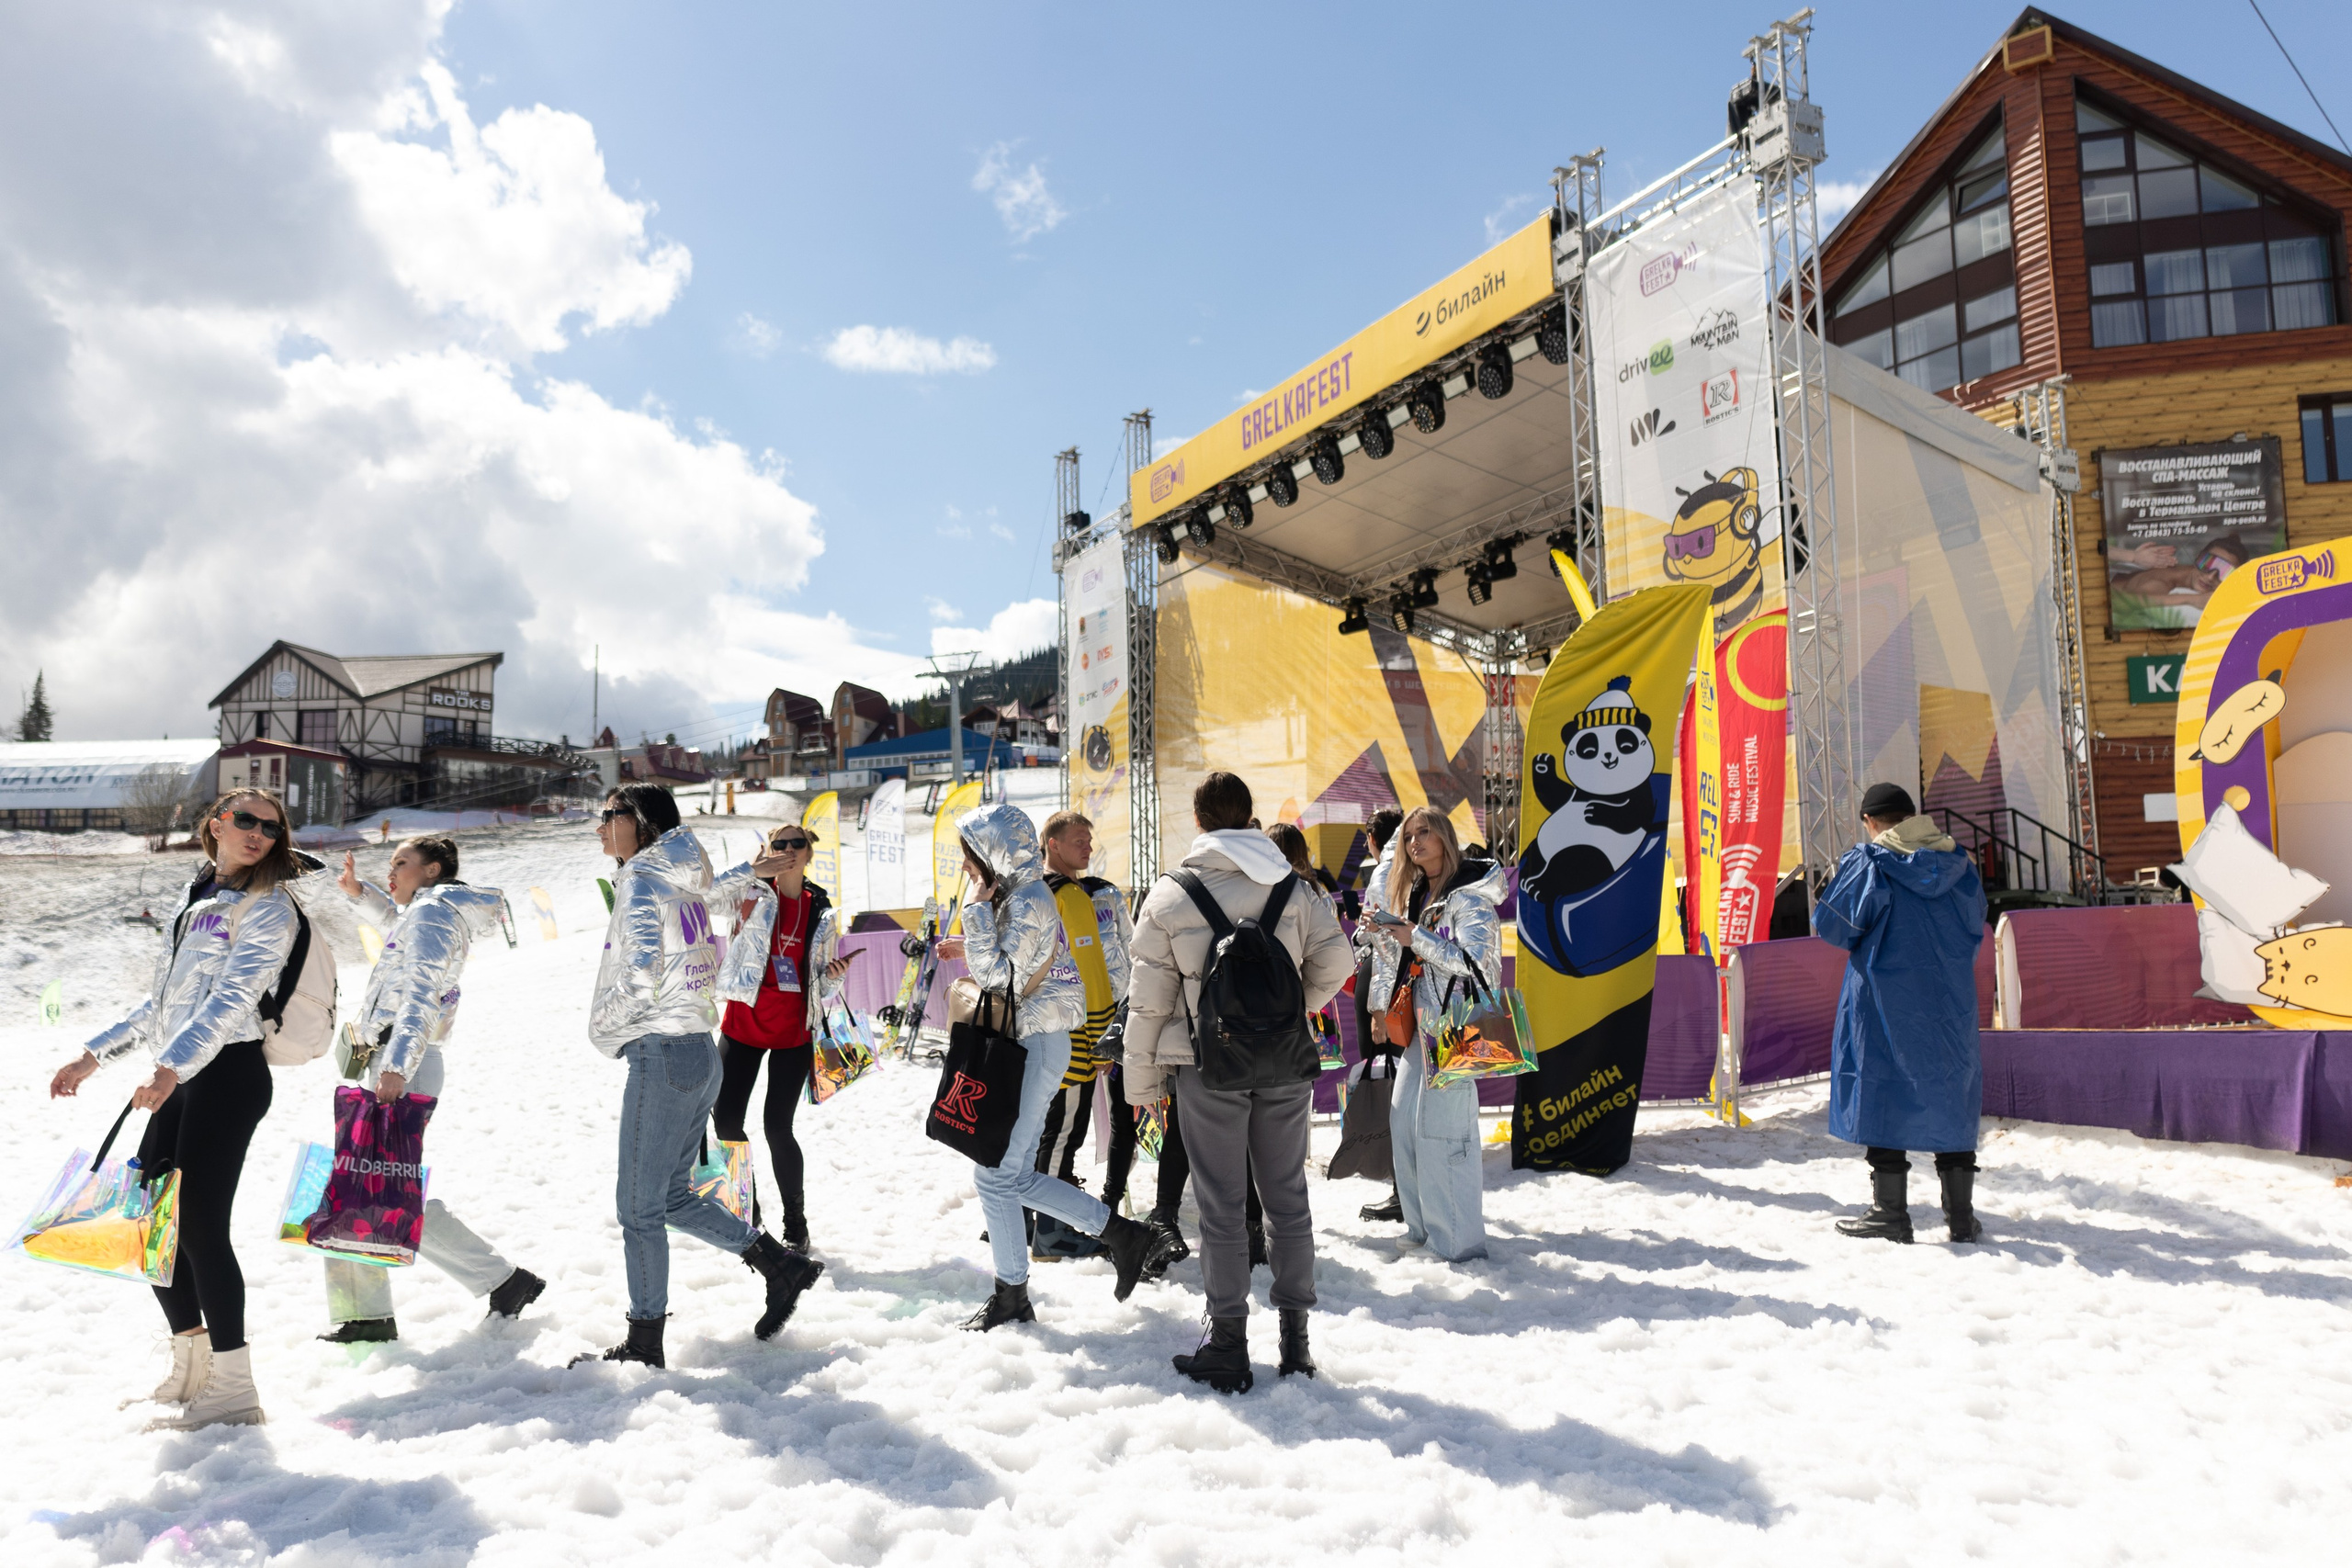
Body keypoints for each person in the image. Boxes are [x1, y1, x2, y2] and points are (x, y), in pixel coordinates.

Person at [51, 789, 314, 1427]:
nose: (257, 833)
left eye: (271, 827)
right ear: (216, 825)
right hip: (182, 1074)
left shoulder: (270, 907)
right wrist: (96, 1054)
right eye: (245, 820)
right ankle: (192, 1367)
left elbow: (231, 1000)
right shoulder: (197, 896)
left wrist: (171, 1067)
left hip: (227, 1075)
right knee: (153, 1224)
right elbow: (163, 1002)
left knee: (198, 1223)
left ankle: (234, 1385)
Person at [579, 784, 823, 1370]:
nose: (598, 827)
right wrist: (752, 868)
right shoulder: (675, 876)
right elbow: (717, 892)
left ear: (636, 822)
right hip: (697, 1053)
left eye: (607, 815)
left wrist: (601, 1031)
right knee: (671, 1197)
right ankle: (779, 1265)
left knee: (639, 1210)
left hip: (663, 1053)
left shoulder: (642, 880)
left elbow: (639, 977)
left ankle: (644, 1341)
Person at [1125, 773, 1352, 1392]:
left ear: (1198, 819)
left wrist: (1140, 1083)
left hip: (1209, 1067)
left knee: (1223, 1207)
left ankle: (1228, 1343)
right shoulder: (1293, 886)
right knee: (1287, 1197)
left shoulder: (1171, 894)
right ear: (1249, 816)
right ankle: (1296, 1343)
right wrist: (1286, 1013)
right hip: (1283, 1063)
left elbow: (1148, 1003)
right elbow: (1339, 961)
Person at [933, 803, 1166, 1330]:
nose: (965, 861)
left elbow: (999, 979)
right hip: (1035, 1043)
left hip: (1036, 1046)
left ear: (991, 850)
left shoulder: (1030, 899)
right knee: (1007, 1174)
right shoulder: (1026, 894)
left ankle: (1019, 1290)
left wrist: (974, 911)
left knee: (995, 1175)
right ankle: (1120, 1238)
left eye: (970, 849)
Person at [321, 837, 545, 1342]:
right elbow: (397, 927)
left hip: (402, 1062)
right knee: (368, 1185)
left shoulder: (432, 915)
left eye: (401, 862)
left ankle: (497, 1281)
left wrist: (396, 1067)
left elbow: (421, 995)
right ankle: (375, 1312)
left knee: (376, 1185)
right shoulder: (426, 912)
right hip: (393, 1060)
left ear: (433, 869)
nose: (392, 871)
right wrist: (361, 892)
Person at [1814, 782, 1989, 1245]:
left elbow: (1833, 926)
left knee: (1881, 1088)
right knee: (1951, 1090)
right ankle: (1962, 1217)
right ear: (1914, 817)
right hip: (1948, 1000)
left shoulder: (1870, 862)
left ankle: (1890, 1213)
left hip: (1882, 997)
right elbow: (1976, 925)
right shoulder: (1959, 864)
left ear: (1871, 821)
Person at [1363, 806, 1506, 1264]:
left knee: (1446, 1136)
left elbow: (1478, 965)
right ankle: (1424, 1230)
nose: (1415, 842)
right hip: (1423, 1028)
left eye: (1425, 832)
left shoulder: (1470, 896)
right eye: (1408, 836)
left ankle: (1456, 1242)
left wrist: (1413, 937)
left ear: (1445, 835)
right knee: (1405, 1125)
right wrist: (1381, 935)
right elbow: (1406, 956)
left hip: (1459, 1027)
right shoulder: (1419, 893)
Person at [709, 822, 851, 1251]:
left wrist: (833, 979)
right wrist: (752, 870)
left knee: (777, 1127)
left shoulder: (821, 907)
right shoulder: (749, 891)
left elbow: (821, 984)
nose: (788, 849)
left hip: (793, 1030)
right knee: (727, 1120)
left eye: (797, 843)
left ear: (809, 853)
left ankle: (796, 1223)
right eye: (779, 843)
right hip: (744, 1021)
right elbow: (706, 897)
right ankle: (747, 1215)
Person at [1027, 810, 1133, 1262]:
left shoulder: (1046, 893)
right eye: (1077, 840)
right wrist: (1102, 1034)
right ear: (1052, 844)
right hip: (1072, 1036)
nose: (1088, 846)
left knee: (1052, 1133)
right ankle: (1048, 1233)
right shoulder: (1063, 894)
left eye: (1089, 839)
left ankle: (1038, 1224)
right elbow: (1086, 976)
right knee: (1062, 1133)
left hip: (1060, 1032)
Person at [1352, 807, 1407, 1224]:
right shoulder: (1417, 862)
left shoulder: (1384, 868)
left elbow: (1378, 938)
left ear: (1372, 839)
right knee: (1406, 1082)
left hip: (1387, 979)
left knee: (1388, 1080)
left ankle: (1400, 1186)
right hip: (1417, 978)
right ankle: (1407, 1185)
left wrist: (1376, 1007)